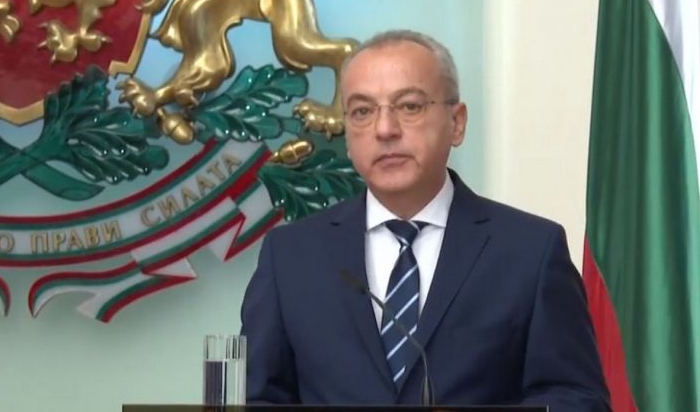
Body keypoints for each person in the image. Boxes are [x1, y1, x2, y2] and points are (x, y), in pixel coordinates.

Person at [240, 29, 610, 410]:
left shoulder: (530, 251)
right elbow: (254, 399)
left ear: (457, 122)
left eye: (409, 106)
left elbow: (578, 401)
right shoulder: (290, 256)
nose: (385, 130)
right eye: (363, 111)